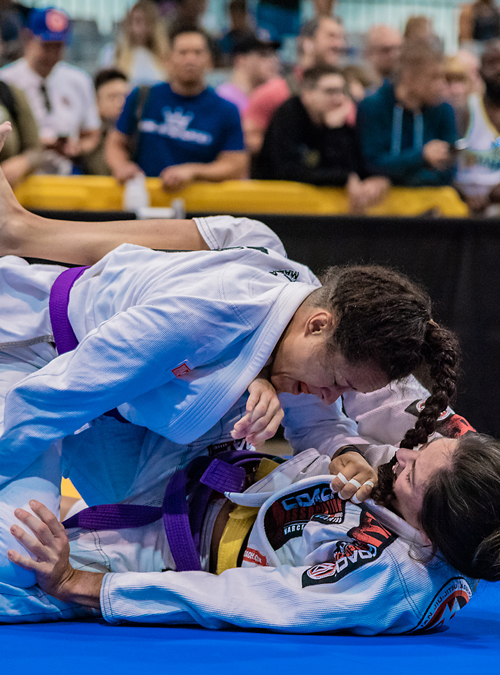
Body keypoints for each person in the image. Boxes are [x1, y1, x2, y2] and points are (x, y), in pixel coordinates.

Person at [0, 117, 461, 587]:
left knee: (146, 531)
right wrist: (244, 383)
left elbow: (318, 419)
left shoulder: (302, 319)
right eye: (339, 382)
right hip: (28, 354)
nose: (331, 396)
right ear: (317, 325)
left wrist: (342, 448)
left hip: (111, 414)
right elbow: (51, 398)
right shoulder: (205, 313)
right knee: (18, 561)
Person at [7, 424, 500, 633]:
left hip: (164, 555)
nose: (403, 455)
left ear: (430, 535)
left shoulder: (383, 576)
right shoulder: (467, 510)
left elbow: (244, 598)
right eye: (425, 447)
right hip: (191, 479)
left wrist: (84, 585)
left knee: (20, 563)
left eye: (412, 471)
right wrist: (350, 451)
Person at [105, 25, 248, 190]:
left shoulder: (227, 110)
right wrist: (121, 166)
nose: (190, 59)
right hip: (142, 199)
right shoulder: (142, 96)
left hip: (201, 207)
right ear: (168, 60)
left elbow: (235, 163)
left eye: (197, 53)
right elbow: (116, 142)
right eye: (183, 53)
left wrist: (194, 171)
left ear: (209, 60)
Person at [254, 65, 389, 214]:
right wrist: (342, 178)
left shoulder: (339, 122)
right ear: (307, 95)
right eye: (330, 91)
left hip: (322, 212)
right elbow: (286, 171)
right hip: (277, 208)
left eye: (342, 91)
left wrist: (334, 131)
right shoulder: (289, 115)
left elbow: (355, 167)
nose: (339, 98)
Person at [0, 7, 101, 176]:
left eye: (59, 46)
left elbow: (92, 133)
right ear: (28, 38)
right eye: (47, 46)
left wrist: (76, 147)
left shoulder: (79, 80)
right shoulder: (6, 81)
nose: (53, 53)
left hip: (67, 171)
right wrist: (36, 144)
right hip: (18, 169)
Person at [357, 40, 457, 187]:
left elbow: (447, 172)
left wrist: (395, 175)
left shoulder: (444, 109)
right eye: (434, 77)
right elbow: (371, 163)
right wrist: (422, 157)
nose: (442, 85)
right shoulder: (373, 106)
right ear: (408, 75)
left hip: (430, 197)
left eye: (444, 77)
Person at [243, 16, 348, 155]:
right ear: (307, 43)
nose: (339, 44)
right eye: (331, 36)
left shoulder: (349, 93)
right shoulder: (273, 94)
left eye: (342, 38)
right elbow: (249, 144)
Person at [455, 39, 500, 215]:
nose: (498, 69)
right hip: (467, 206)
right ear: (480, 71)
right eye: (492, 62)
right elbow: (447, 163)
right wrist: (465, 195)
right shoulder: (465, 110)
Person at [101, 0, 168, 88]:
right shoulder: (113, 53)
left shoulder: (166, 56)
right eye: (138, 21)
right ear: (128, 23)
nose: (142, 28)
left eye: (147, 22)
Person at [81, 68, 130, 176]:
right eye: (112, 97)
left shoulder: (139, 136)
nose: (121, 103)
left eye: (126, 97)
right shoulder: (87, 142)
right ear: (97, 103)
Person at [216, 34, 280, 114]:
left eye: (274, 55)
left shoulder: (270, 96)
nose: (272, 61)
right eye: (263, 54)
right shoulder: (224, 97)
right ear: (241, 60)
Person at [363, 24, 402, 92]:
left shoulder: (405, 90)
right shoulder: (363, 90)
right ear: (369, 53)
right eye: (386, 50)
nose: (394, 55)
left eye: (398, 48)